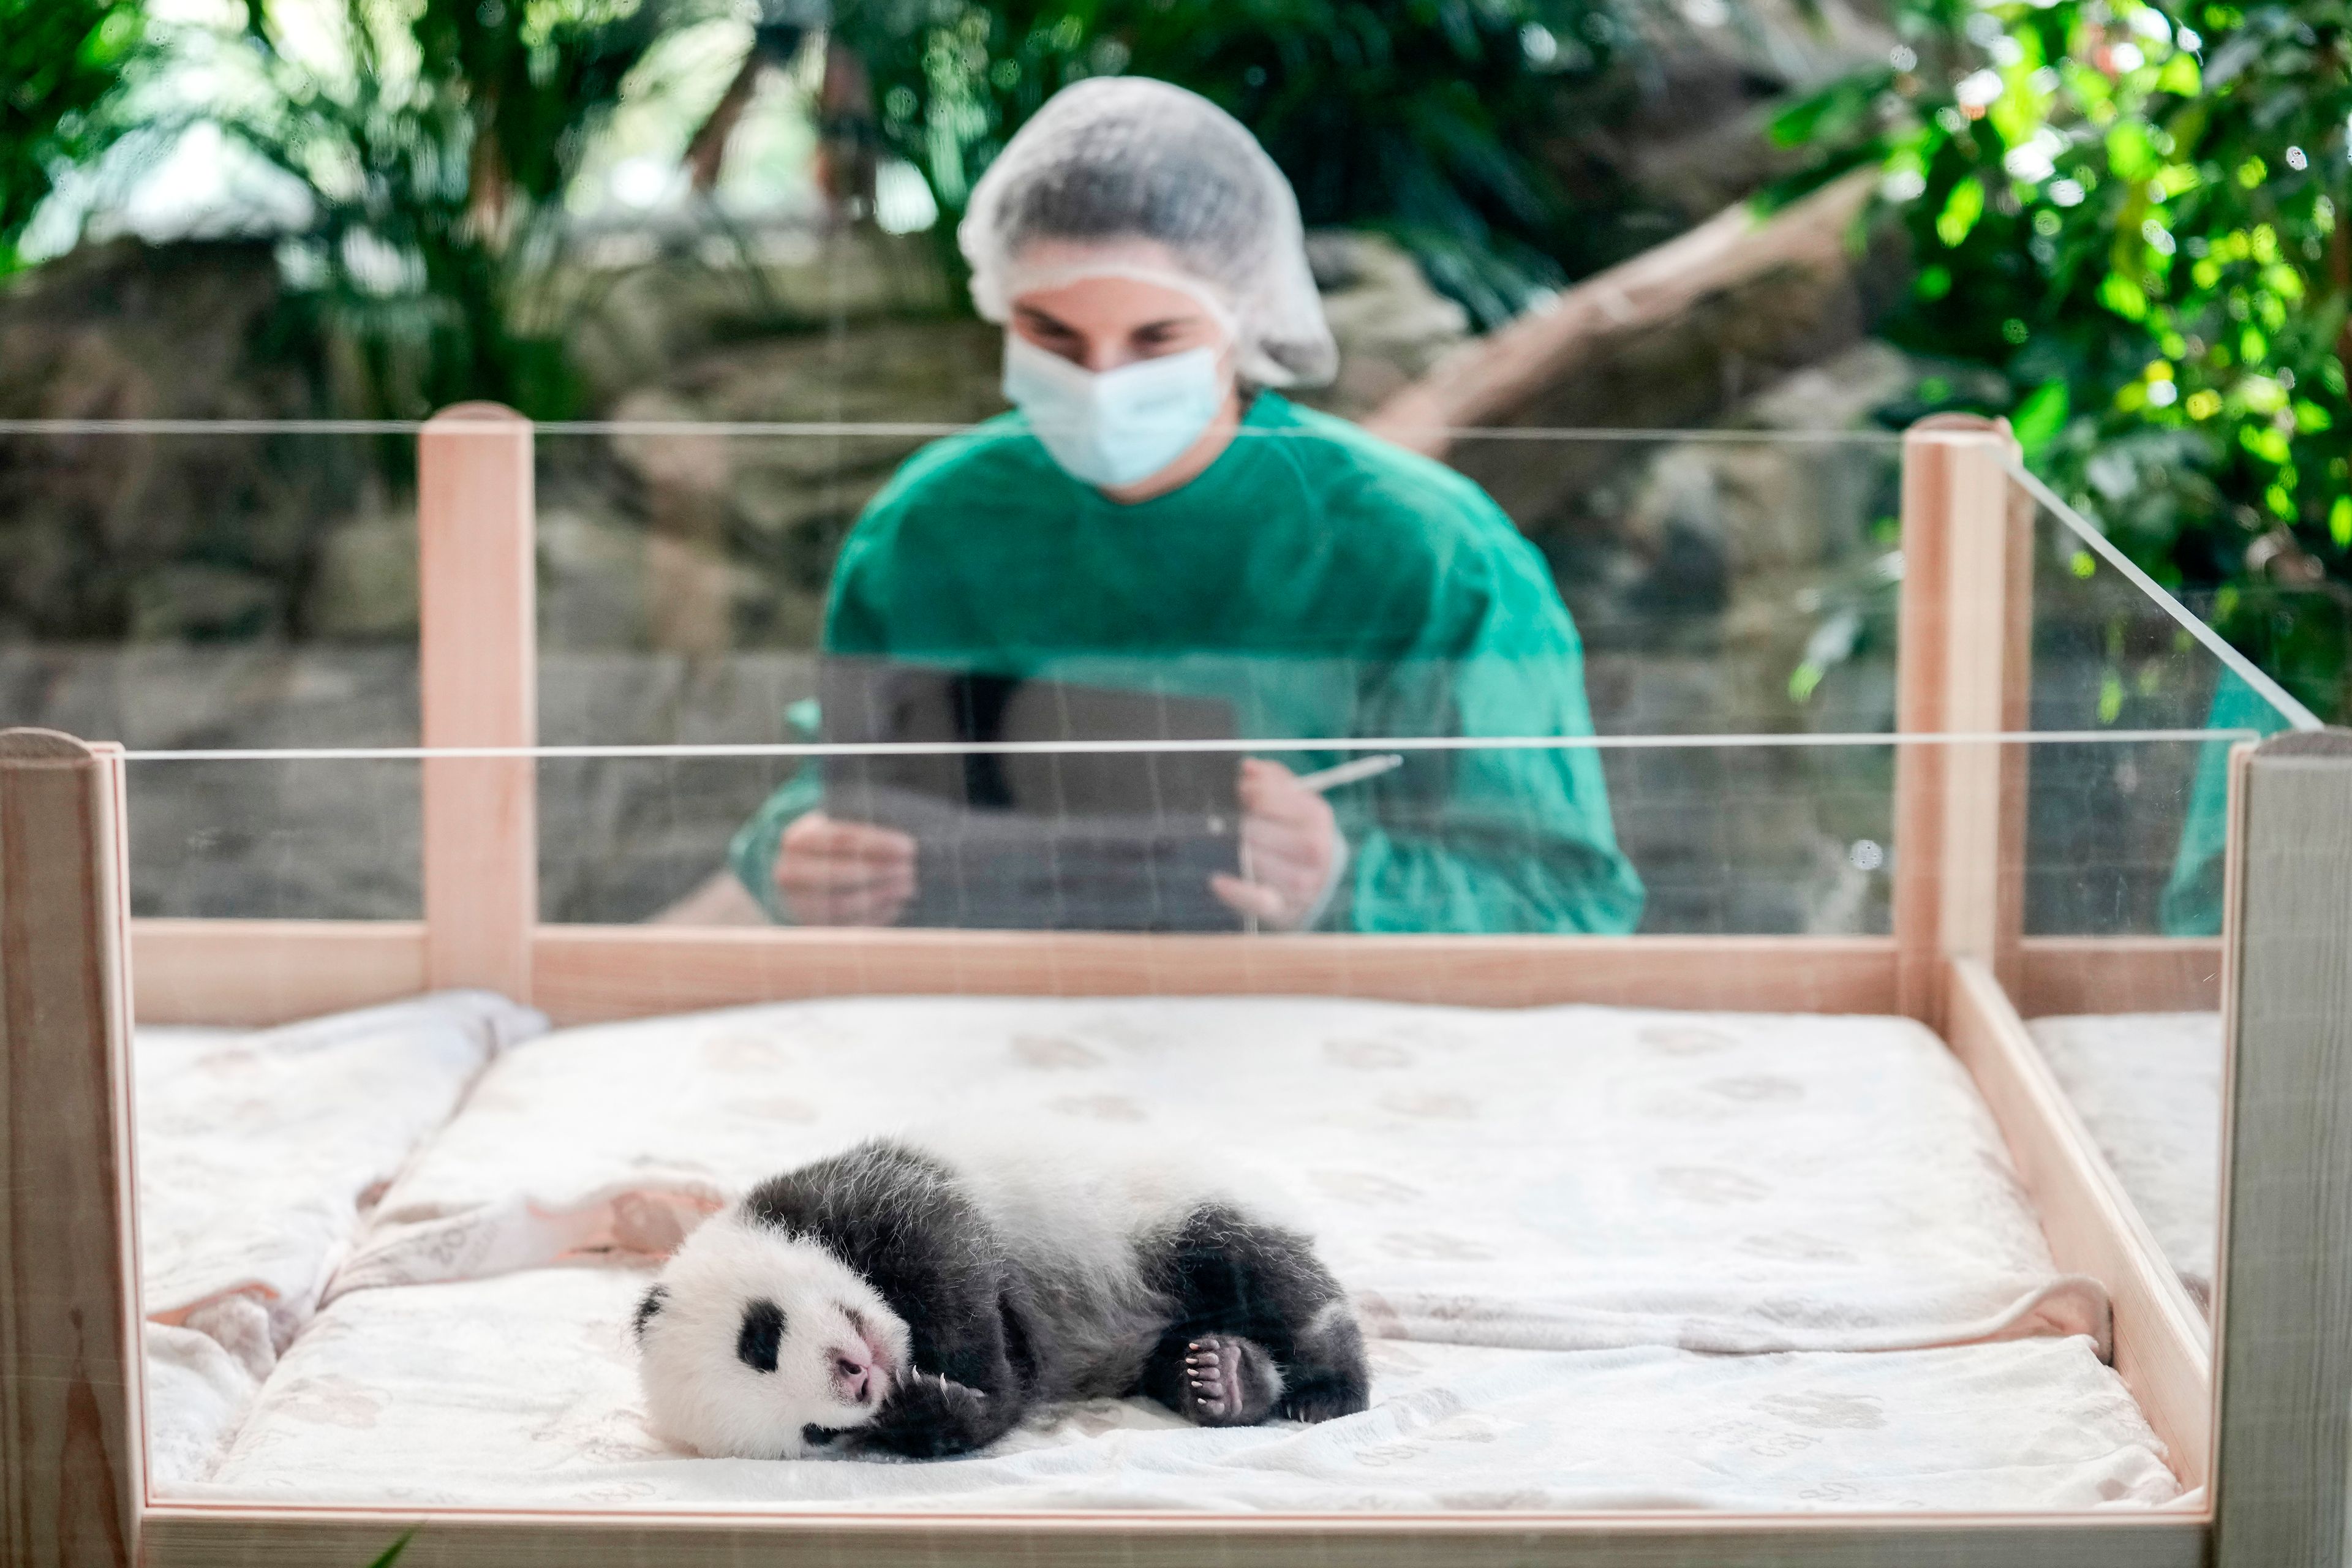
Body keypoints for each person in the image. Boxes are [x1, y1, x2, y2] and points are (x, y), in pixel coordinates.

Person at [726, 77, 1642, 935]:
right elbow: (838, 786)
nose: (1101, 380)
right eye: (1054, 335)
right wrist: (798, 857)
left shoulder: (1430, 552)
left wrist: (1343, 880)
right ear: (1000, 312)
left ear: (1243, 325)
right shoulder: (926, 529)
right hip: (990, 1030)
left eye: (1156, 337)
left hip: (1307, 1051)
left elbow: (1573, 899)